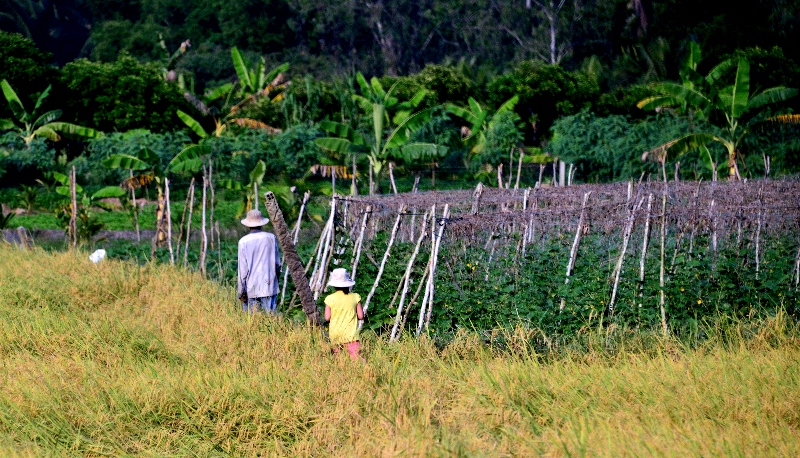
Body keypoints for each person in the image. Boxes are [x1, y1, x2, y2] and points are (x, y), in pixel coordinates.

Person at [237, 209, 281, 313]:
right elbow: (277, 264)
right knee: (270, 320)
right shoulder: (271, 238)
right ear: (262, 223)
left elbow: (242, 271)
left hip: (251, 287)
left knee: (252, 322)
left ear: (248, 224)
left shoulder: (243, 241)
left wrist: (241, 292)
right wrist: (276, 280)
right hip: (269, 285)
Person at [324, 268, 364, 360]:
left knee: (339, 360)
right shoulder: (355, 297)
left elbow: (327, 317)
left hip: (335, 336)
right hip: (351, 336)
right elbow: (361, 316)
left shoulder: (330, 298)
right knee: (356, 359)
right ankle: (367, 372)